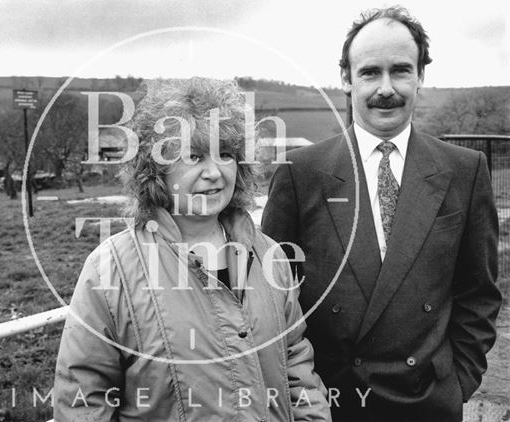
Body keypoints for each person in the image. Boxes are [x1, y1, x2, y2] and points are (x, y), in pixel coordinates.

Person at [262, 7, 502, 422]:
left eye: (401, 71)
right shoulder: (299, 172)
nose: (386, 88)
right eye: (370, 72)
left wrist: (457, 384)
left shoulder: (465, 170)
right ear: (346, 78)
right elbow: (273, 297)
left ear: (420, 76)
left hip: (427, 404)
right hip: (331, 406)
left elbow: (478, 293)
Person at [54, 78, 331, 421]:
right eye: (194, 156)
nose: (214, 173)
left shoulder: (269, 255)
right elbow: (83, 401)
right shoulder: (109, 270)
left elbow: (298, 370)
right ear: (155, 169)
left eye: (226, 155)